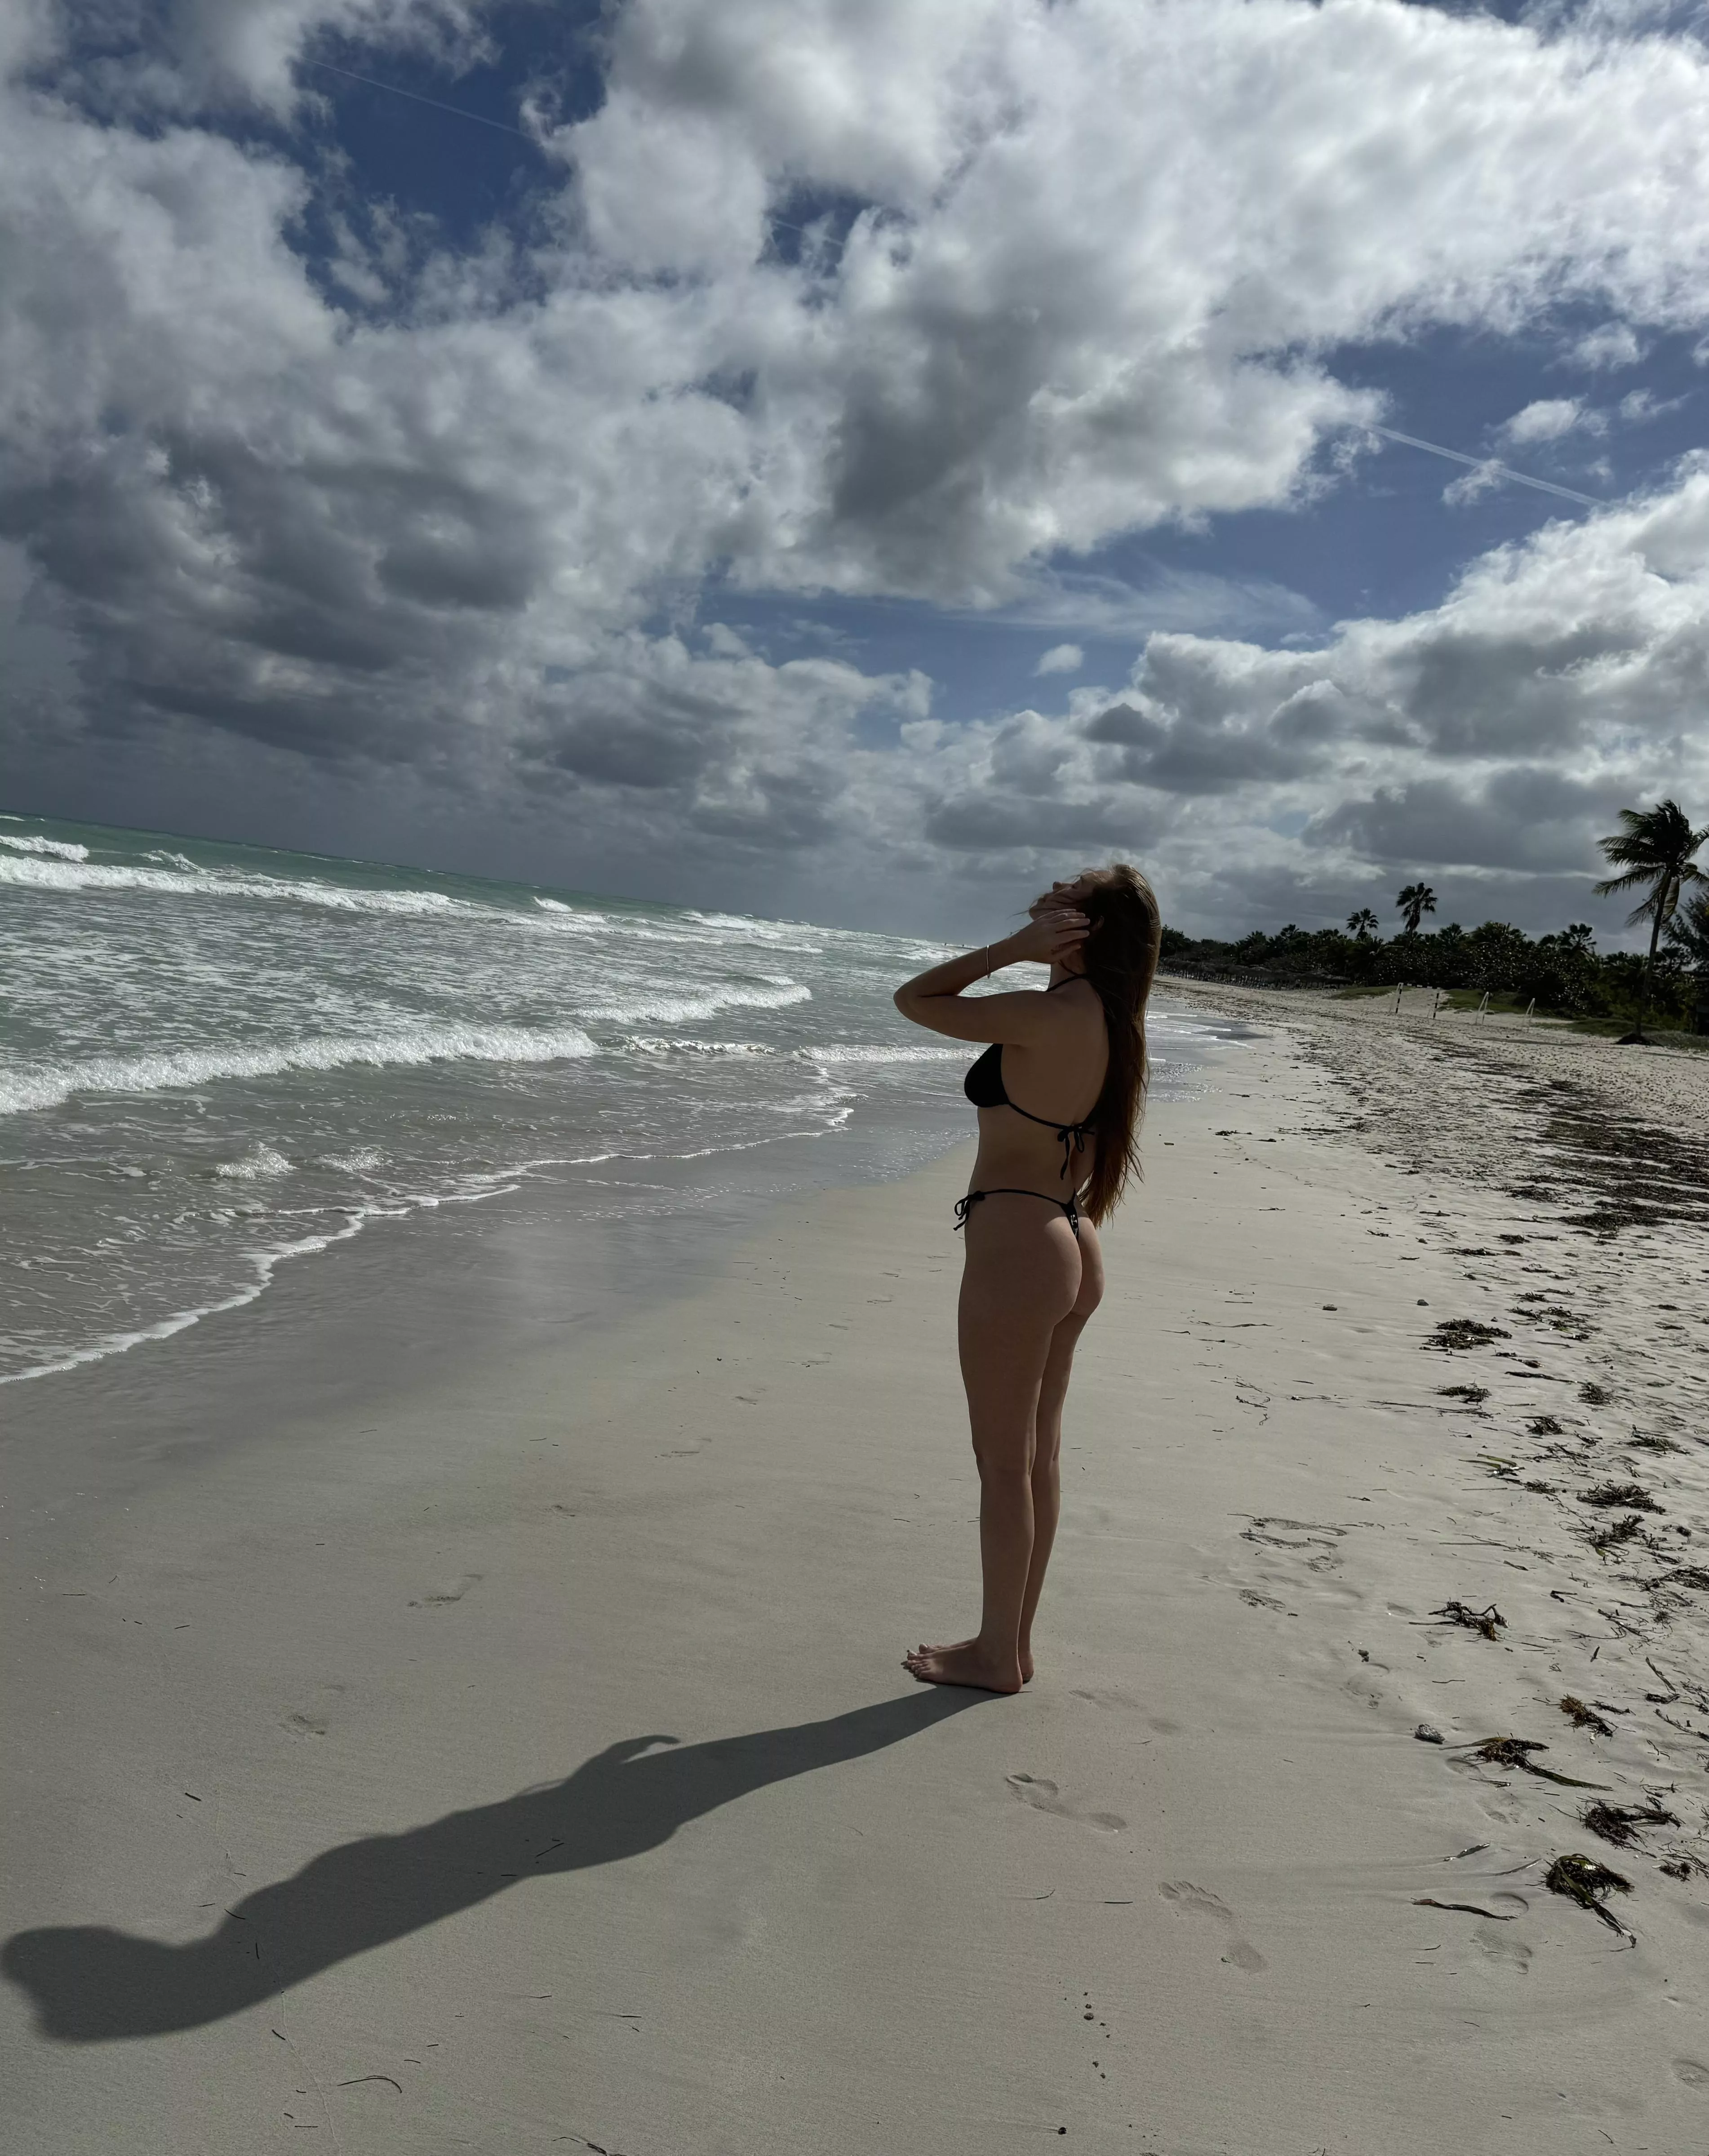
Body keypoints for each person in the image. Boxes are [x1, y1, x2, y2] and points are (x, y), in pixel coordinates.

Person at [892, 866, 1163, 1693]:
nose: (1048, 883)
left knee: (1004, 1464)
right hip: (1069, 1236)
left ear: (1083, 928)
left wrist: (1012, 949)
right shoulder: (1112, 1020)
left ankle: (996, 1654)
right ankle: (1012, 1644)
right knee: (1037, 1457)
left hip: (1021, 1243)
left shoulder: (1049, 1013)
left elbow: (916, 999)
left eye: (1068, 889)